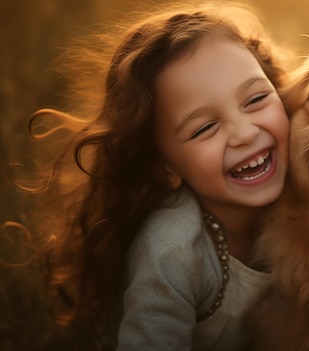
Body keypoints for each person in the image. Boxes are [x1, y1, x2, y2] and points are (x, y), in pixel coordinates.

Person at [18, 2, 290, 349]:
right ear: (166, 167)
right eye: (205, 127)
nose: (244, 133)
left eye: (256, 99)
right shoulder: (170, 251)